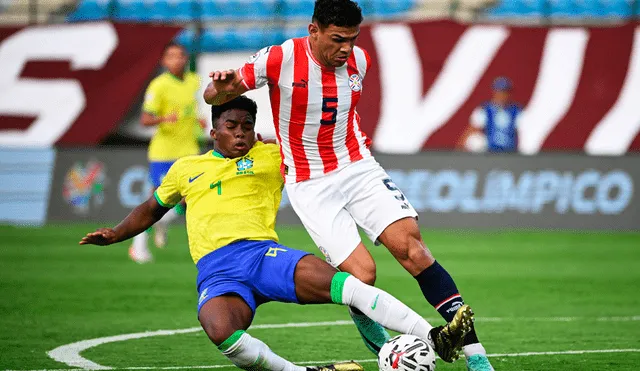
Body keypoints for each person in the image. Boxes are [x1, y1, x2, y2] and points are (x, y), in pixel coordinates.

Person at [79, 96, 474, 371]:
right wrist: (116, 234)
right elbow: (152, 208)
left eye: (247, 127)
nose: (240, 133)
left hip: (262, 255)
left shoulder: (272, 155)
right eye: (231, 126)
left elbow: (320, 154)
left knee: (347, 284)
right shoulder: (186, 168)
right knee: (221, 331)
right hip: (216, 271)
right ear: (213, 131)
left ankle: (435, 335)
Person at [202, 1, 495, 370]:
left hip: (356, 166)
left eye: (352, 40)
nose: (346, 49)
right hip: (309, 183)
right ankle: (386, 353)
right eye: (338, 39)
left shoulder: (361, 61)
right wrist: (220, 89)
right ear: (314, 31)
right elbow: (215, 96)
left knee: (414, 250)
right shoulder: (280, 58)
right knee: (361, 276)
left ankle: (477, 358)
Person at [130, 41, 206, 263]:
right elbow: (145, 119)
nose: (177, 59)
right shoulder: (159, 85)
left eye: (181, 55)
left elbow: (190, 108)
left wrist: (198, 120)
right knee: (157, 200)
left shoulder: (194, 81)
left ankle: (161, 222)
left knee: (187, 200)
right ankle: (138, 246)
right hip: (164, 152)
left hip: (189, 148)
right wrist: (164, 118)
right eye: (171, 56)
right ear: (164, 61)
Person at [460, 76, 522, 153]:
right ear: (494, 92)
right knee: (475, 140)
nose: (502, 95)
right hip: (489, 150)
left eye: (505, 92)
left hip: (510, 150)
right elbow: (471, 130)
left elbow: (522, 132)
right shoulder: (485, 110)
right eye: (500, 92)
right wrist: (459, 151)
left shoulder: (516, 111)